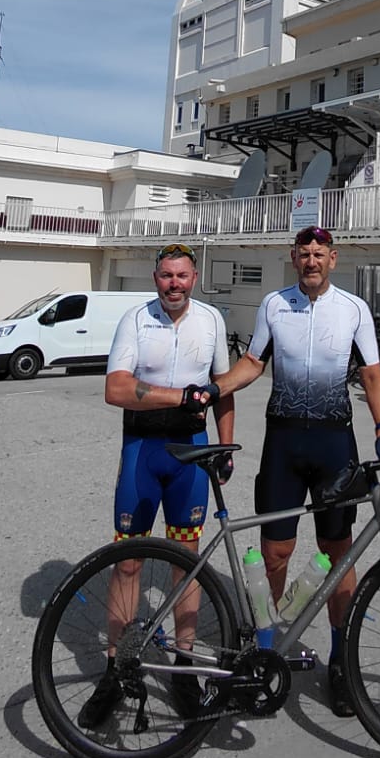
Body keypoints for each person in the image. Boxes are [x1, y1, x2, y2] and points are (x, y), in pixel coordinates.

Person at [208, 226, 380, 717]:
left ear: (333, 259)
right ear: (294, 258)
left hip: (335, 443)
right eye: (304, 254)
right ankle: (267, 651)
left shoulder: (354, 309)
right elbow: (252, 363)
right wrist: (210, 389)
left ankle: (340, 660)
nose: (312, 262)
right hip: (284, 441)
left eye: (320, 255)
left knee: (339, 556)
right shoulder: (274, 305)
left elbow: (372, 374)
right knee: (275, 552)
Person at [77, 243, 234, 730]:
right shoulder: (136, 320)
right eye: (165, 275)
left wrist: (225, 446)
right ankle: (115, 670)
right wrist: (183, 397)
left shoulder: (211, 321)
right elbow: (116, 389)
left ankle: (183, 668)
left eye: (182, 276)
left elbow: (223, 388)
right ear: (155, 277)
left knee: (185, 566)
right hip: (143, 451)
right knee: (127, 564)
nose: (174, 284)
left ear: (195, 276)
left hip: (191, 452)